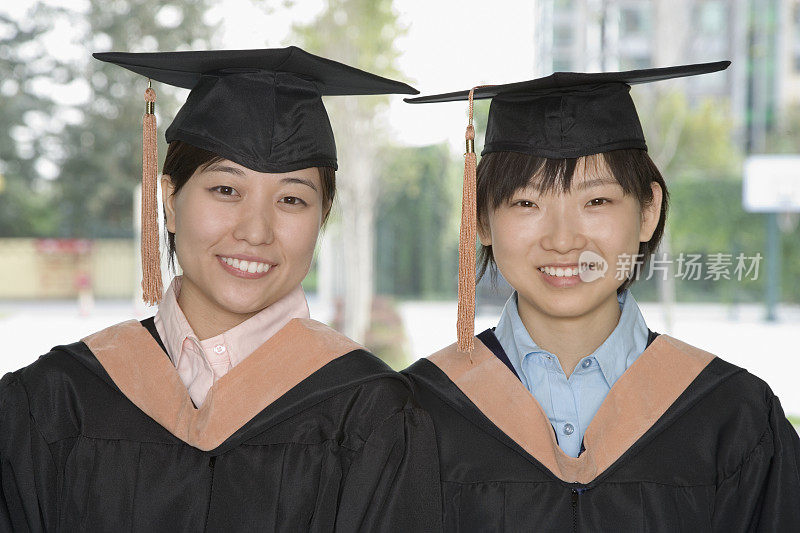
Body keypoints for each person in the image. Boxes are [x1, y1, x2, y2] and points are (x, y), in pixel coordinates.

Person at [0, 47, 441, 531]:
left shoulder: (372, 415)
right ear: (169, 201)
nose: (256, 231)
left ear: (322, 220)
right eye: (226, 190)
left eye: (292, 198)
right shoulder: (56, 399)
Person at [403, 61, 800, 530]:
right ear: (482, 219)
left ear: (648, 211)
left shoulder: (734, 417)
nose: (564, 240)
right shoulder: (417, 413)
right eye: (527, 202)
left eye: (596, 201)